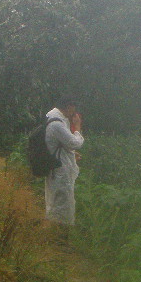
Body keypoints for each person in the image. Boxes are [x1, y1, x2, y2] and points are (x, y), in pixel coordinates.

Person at [43, 97, 84, 230]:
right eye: (73, 109)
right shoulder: (57, 124)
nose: (74, 113)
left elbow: (57, 144)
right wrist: (77, 127)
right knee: (61, 204)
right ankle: (58, 238)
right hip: (59, 171)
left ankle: (56, 234)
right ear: (68, 107)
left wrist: (70, 155)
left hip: (56, 166)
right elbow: (74, 143)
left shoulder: (52, 118)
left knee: (56, 202)